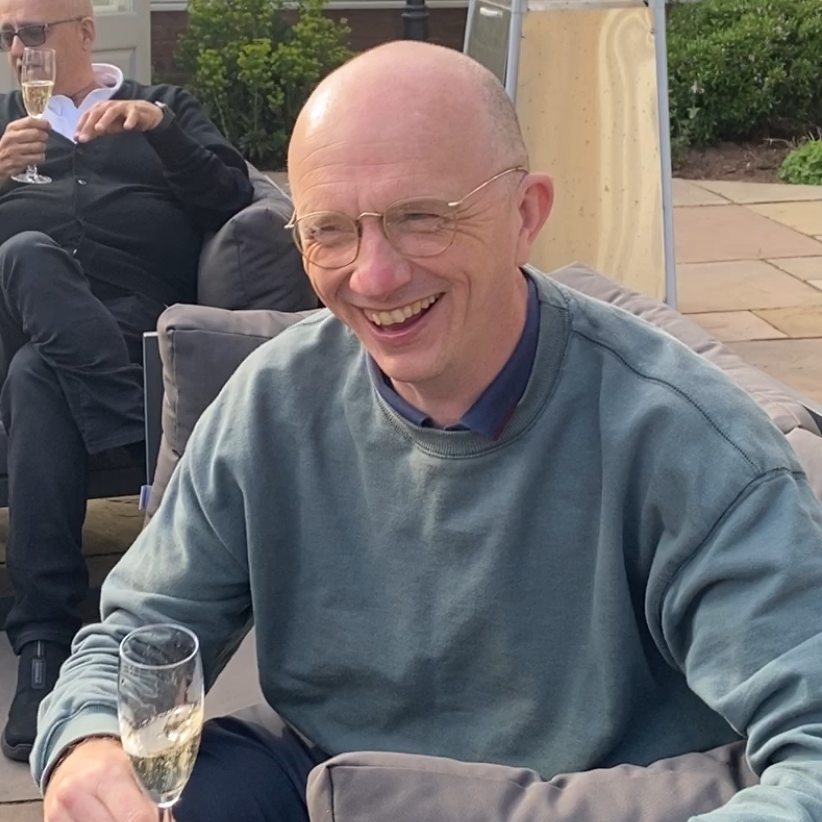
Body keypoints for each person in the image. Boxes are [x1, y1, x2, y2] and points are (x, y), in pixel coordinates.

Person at [33, 39, 822, 822]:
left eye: (422, 219)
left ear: (526, 214)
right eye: (330, 231)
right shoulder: (272, 403)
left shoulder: (691, 445)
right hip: (331, 784)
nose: (374, 276)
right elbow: (139, 635)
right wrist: (89, 740)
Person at [0, 0, 254, 762]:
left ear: (83, 32)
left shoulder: (164, 108)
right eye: (6, 36)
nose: (18, 51)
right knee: (27, 253)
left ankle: (43, 643)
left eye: (33, 33)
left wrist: (160, 133)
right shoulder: (6, 125)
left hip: (129, 319)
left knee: (37, 375)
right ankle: (137, 434)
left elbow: (233, 201)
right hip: (22, 305)